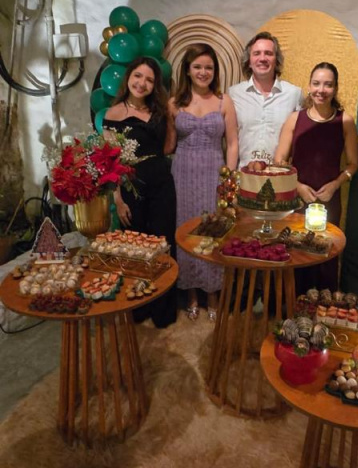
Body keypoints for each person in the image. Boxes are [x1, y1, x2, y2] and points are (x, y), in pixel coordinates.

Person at [103, 56, 177, 328]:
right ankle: (138, 304)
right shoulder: (112, 115)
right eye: (138, 76)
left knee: (162, 244)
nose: (142, 83)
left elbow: (168, 148)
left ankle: (163, 309)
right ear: (129, 77)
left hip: (160, 184)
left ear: (155, 85)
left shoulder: (159, 111)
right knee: (135, 247)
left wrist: (170, 119)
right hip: (130, 188)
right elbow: (110, 163)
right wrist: (118, 200)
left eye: (149, 80)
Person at [275, 61, 358, 290]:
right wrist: (298, 186)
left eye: (328, 85)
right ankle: (291, 306)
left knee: (325, 258)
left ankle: (321, 308)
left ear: (336, 88)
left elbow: (353, 164)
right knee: (294, 256)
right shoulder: (295, 119)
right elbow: (279, 161)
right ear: (309, 86)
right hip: (296, 201)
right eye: (316, 83)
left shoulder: (345, 121)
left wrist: (336, 184)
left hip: (328, 202)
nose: (321, 90)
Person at [170, 44, 238, 321]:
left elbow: (232, 143)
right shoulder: (174, 103)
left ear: (215, 71)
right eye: (197, 66)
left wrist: (228, 180)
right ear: (187, 70)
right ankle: (190, 294)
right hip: (182, 174)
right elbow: (168, 145)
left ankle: (212, 293)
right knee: (185, 231)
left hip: (213, 174)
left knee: (213, 231)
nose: (203, 72)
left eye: (208, 67)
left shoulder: (224, 101)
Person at [229, 32, 303, 167]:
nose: (262, 58)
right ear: (249, 61)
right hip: (242, 175)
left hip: (279, 176)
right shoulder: (234, 94)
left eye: (268, 53)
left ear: (276, 60)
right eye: (256, 53)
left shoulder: (294, 94)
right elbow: (229, 142)